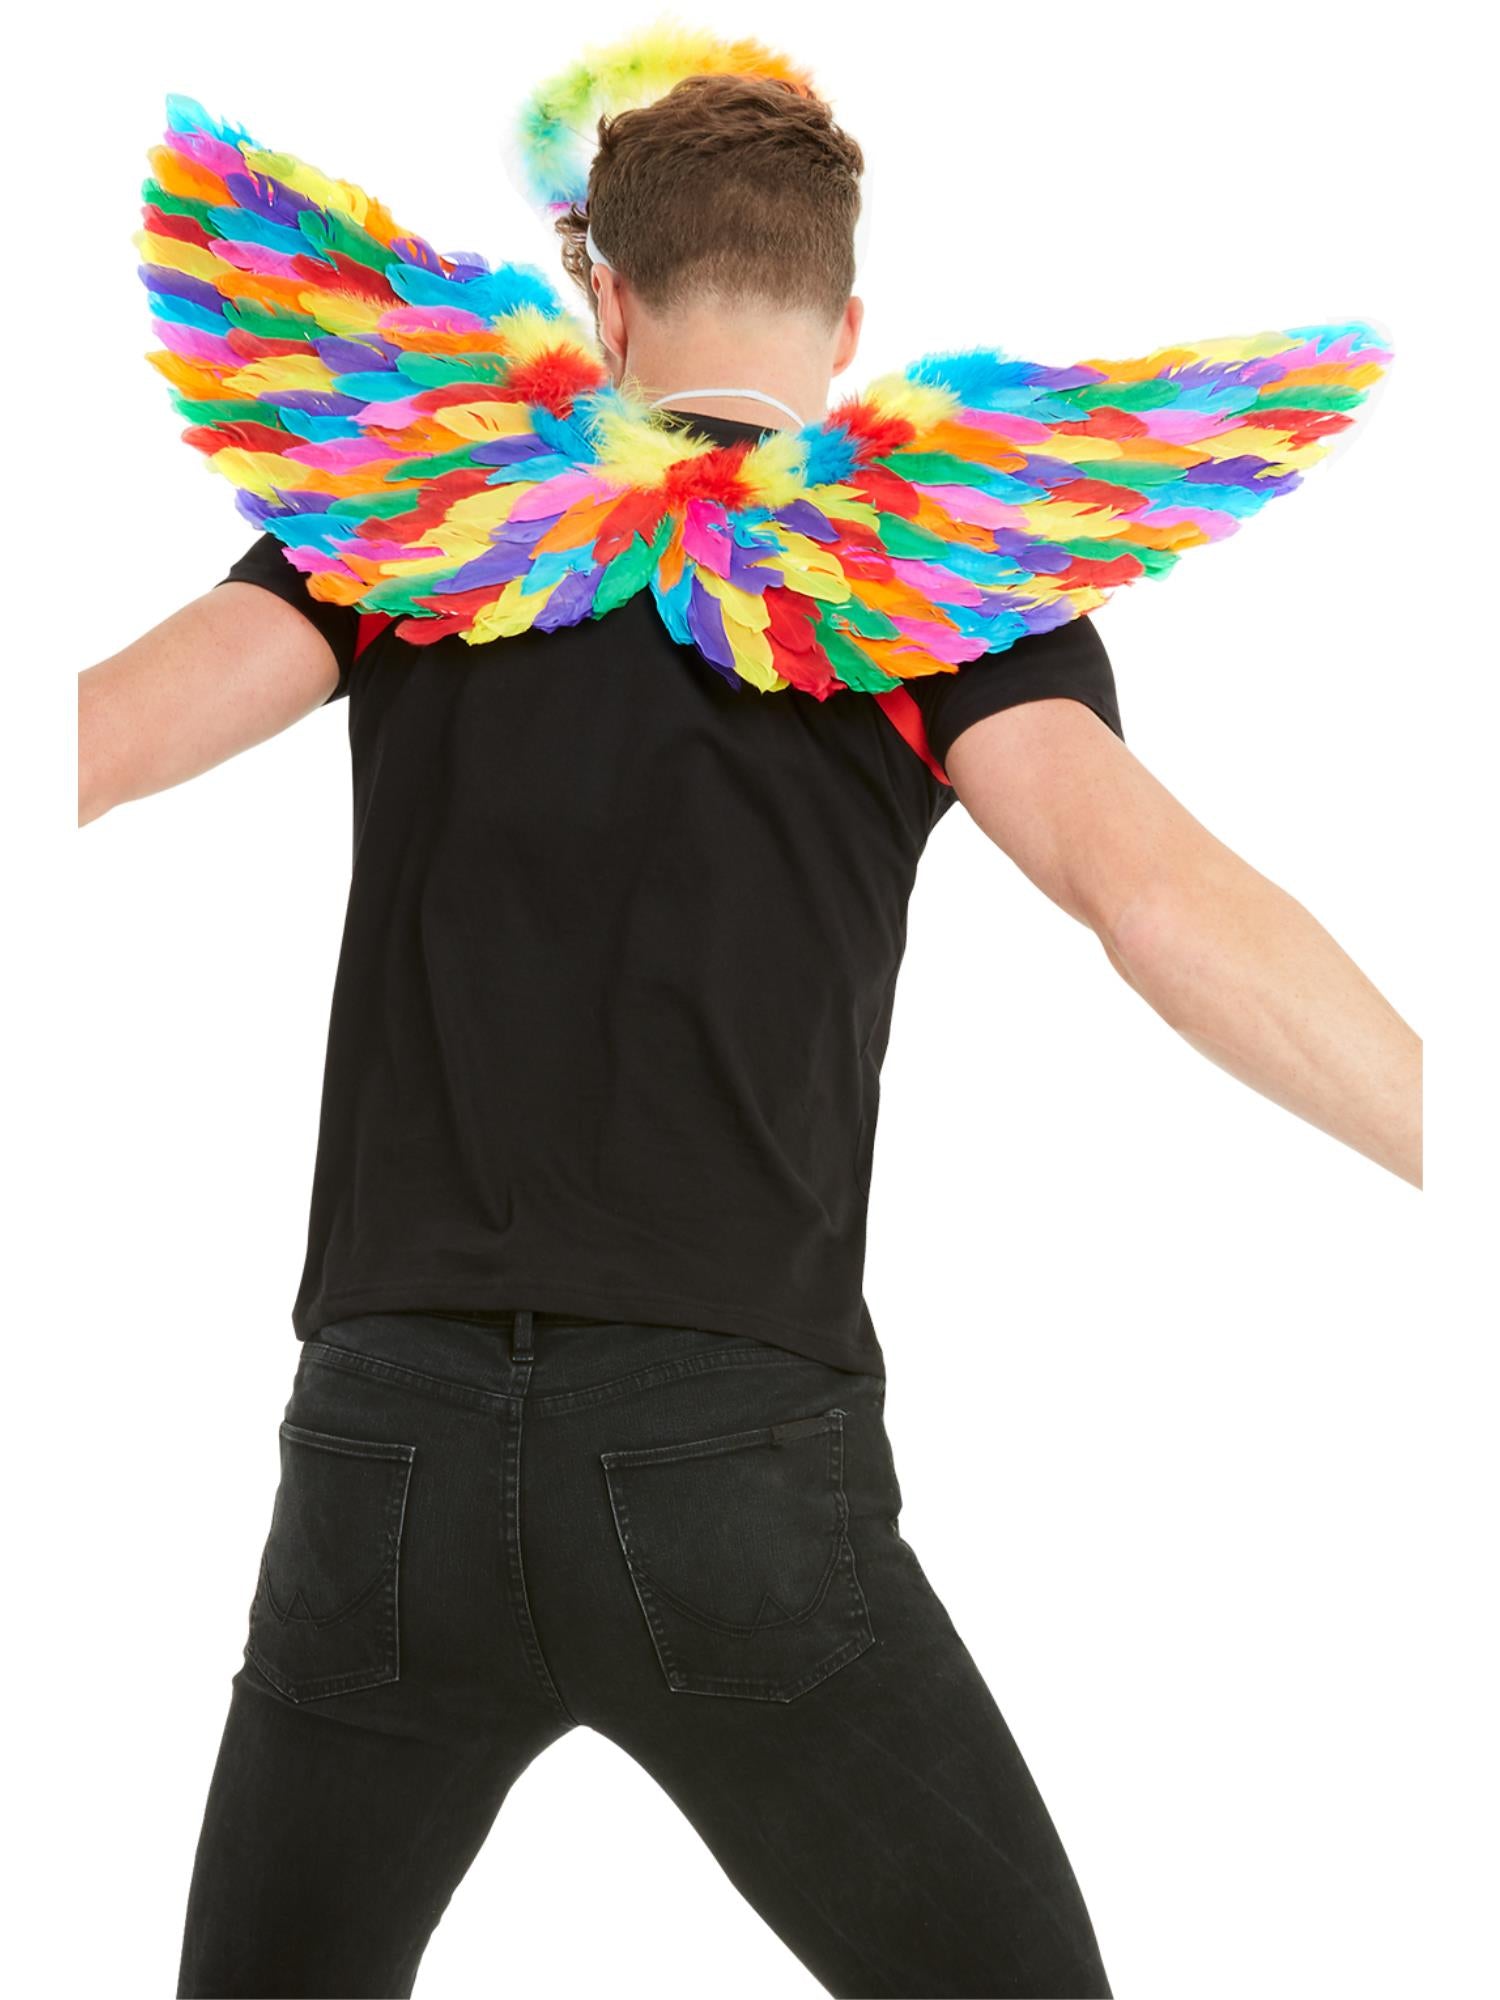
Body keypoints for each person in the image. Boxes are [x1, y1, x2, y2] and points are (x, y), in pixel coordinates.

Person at [78, 46, 1421, 2000]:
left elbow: (89, 742)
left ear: (606, 303)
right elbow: (1150, 896)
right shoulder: (929, 595)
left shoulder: (414, 537)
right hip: (721, 1465)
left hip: (386, 1463)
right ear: (847, 331)